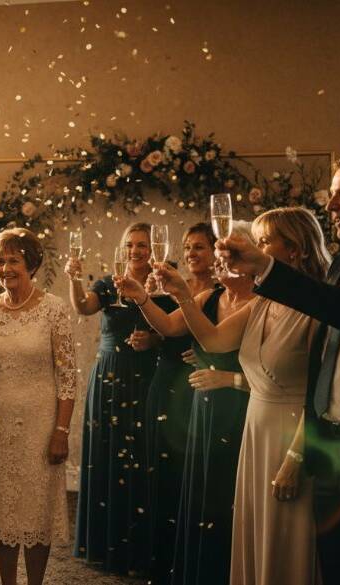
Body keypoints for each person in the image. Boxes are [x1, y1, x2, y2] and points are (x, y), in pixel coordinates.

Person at [217, 151, 340, 585]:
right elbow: (324, 359)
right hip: (329, 449)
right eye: (332, 194)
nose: (331, 205)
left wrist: (265, 266)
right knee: (339, 569)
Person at [156, 207, 330, 585]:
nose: (254, 247)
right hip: (256, 428)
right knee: (256, 533)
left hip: (292, 436)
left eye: (264, 241)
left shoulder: (319, 307)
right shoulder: (264, 300)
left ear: (295, 249)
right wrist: (184, 294)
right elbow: (214, 339)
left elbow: (320, 395)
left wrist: (295, 459)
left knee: (287, 538)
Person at [117, 221, 256, 584]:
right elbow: (168, 327)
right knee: (198, 495)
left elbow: (213, 342)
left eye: (221, 254)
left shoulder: (261, 302)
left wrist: (229, 377)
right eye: (188, 248)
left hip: (241, 409)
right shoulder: (210, 298)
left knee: (228, 498)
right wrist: (141, 298)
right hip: (203, 406)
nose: (197, 256)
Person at [0, 228, 77, 585]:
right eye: (0, 261)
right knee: (4, 510)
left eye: (13, 260)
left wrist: (60, 431)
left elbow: (67, 378)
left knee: (36, 513)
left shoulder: (54, 309)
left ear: (30, 264)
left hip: (41, 425)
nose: (5, 268)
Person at [67, 222, 160, 576]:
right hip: (110, 376)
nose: (136, 251)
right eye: (130, 245)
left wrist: (154, 340)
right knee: (109, 456)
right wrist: (74, 278)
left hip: (148, 376)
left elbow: (180, 327)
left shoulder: (162, 282)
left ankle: (143, 548)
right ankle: (106, 545)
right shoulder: (110, 283)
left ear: (155, 249)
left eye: (143, 245)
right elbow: (84, 308)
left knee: (143, 457)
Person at [140, 223, 217, 580]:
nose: (190, 254)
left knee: (193, 476)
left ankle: (193, 561)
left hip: (197, 388)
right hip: (165, 380)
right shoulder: (171, 289)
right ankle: (163, 559)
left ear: (218, 251)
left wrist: (206, 355)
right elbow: (166, 331)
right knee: (163, 473)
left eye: (199, 247)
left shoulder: (222, 292)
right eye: (187, 247)